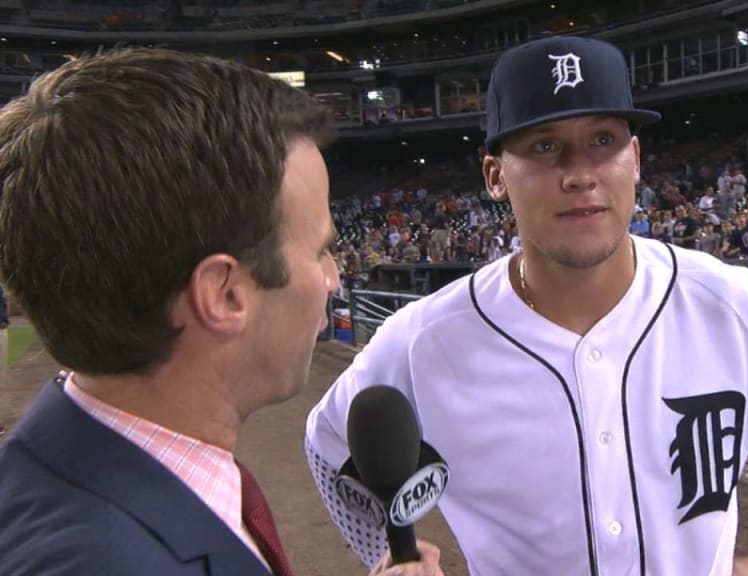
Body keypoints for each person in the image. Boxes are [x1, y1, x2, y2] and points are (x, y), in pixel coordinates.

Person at [306, 35, 748, 576]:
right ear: (494, 176)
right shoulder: (423, 340)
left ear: (636, 158)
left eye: (603, 139)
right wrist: (388, 555)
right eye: (545, 146)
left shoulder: (738, 306)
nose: (581, 174)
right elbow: (326, 444)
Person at [0, 49, 442, 576]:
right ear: (225, 293)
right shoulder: (109, 560)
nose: (333, 279)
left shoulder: (61, 480)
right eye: (321, 250)